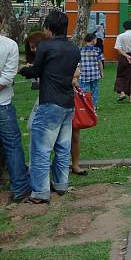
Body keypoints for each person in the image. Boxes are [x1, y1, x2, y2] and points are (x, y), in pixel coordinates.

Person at [18, 11, 80, 204]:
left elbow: (36, 71)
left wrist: (22, 70)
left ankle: (40, 192)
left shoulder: (45, 47)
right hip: (68, 103)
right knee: (62, 147)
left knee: (41, 149)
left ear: (48, 27)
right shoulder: (74, 49)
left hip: (49, 103)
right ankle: (61, 184)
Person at [0, 11, 31, 203]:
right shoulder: (9, 45)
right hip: (3, 105)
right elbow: (6, 79)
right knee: (12, 146)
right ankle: (19, 187)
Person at [79, 33, 103, 108]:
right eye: (96, 39)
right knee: (95, 90)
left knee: (84, 90)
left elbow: (78, 62)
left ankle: (85, 105)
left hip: (84, 74)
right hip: (95, 73)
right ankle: (94, 105)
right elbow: (100, 62)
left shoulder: (80, 50)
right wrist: (101, 72)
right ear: (93, 40)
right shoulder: (97, 50)